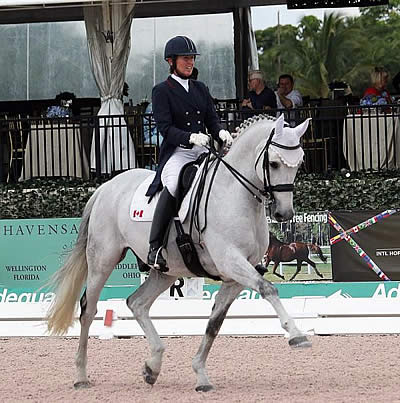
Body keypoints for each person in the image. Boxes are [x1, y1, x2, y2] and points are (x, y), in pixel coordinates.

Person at [145, 35, 233, 270]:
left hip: (203, 151)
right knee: (173, 184)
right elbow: (164, 128)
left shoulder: (200, 88)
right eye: (185, 58)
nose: (190, 62)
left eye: (192, 58)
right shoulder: (162, 90)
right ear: (170, 61)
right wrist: (189, 137)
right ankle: (155, 248)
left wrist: (221, 133)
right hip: (178, 152)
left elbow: (211, 120)